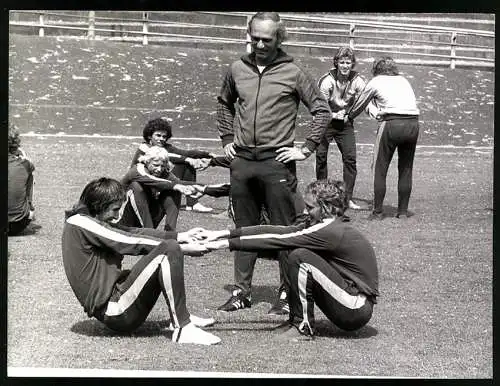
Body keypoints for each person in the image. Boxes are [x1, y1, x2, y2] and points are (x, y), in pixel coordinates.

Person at [216, 12, 331, 314]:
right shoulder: (237, 68)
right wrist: (227, 139)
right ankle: (242, 293)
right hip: (242, 161)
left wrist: (306, 149)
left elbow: (322, 110)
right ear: (249, 35)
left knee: (283, 230)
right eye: (255, 38)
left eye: (267, 39)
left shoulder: (293, 72)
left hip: (276, 163)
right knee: (243, 229)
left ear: (280, 38)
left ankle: (286, 292)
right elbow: (224, 103)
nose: (260, 44)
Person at [200, 179, 379, 341]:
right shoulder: (321, 224)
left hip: (356, 308)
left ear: (326, 208)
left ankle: (303, 327)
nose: (304, 211)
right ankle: (295, 320)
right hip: (347, 300)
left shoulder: (330, 230)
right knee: (290, 250)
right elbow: (280, 231)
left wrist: (220, 245)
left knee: (300, 257)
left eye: (310, 208)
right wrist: (223, 234)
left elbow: (278, 238)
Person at [62, 177, 221, 345]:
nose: (117, 216)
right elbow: (125, 240)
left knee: (169, 247)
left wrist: (182, 236)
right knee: (169, 249)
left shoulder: (87, 221)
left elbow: (133, 232)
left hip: (118, 301)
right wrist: (180, 248)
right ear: (98, 205)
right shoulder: (80, 223)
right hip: (115, 311)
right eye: (114, 210)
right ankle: (183, 327)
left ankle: (182, 316)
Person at [345, 56, 420, 220]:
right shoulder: (403, 80)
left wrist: (349, 116)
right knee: (406, 169)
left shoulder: (376, 81)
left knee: (380, 169)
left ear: (376, 70)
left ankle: (378, 211)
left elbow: (360, 104)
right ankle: (402, 211)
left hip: (391, 123)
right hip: (413, 124)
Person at [121, 146, 229, 231]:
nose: (159, 169)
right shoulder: (136, 171)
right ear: (146, 162)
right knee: (136, 186)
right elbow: (154, 181)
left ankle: (170, 233)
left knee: (174, 190)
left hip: (147, 216)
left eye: (162, 166)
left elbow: (179, 183)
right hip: (123, 219)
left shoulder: (163, 172)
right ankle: (149, 233)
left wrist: (205, 188)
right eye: (155, 165)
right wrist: (176, 185)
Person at [316, 46, 369, 211]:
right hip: (326, 121)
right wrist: (333, 115)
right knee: (321, 156)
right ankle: (322, 196)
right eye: (342, 62)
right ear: (336, 63)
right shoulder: (327, 81)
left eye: (348, 62)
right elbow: (320, 107)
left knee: (350, 158)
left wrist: (375, 113)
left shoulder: (359, 81)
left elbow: (365, 101)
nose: (345, 66)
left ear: (352, 64)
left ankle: (347, 198)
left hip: (345, 122)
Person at [130, 117, 218, 213]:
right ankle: (204, 189)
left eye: (164, 137)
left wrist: (207, 154)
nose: (161, 139)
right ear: (149, 136)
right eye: (158, 135)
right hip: (146, 184)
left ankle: (192, 203)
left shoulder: (165, 146)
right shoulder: (144, 147)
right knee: (184, 162)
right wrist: (187, 159)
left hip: (159, 179)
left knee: (185, 165)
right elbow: (169, 156)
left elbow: (185, 153)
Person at [8, 125, 36, 236]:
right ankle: (29, 206)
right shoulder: (25, 164)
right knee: (29, 174)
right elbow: (30, 165)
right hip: (17, 224)